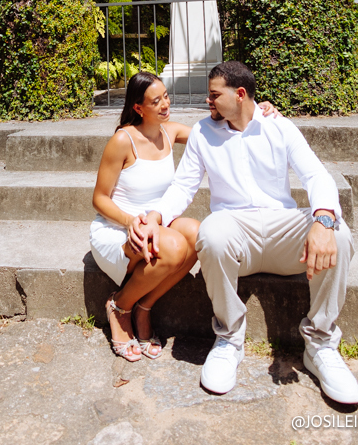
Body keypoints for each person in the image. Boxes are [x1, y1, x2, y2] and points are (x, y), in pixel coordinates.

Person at [132, 61, 358, 404]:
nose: (207, 102)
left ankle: (320, 343)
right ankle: (229, 339)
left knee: (338, 233)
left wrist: (324, 220)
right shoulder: (202, 133)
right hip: (237, 238)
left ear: (240, 95)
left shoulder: (278, 126)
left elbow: (315, 175)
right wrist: (154, 216)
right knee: (211, 231)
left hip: (283, 232)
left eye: (213, 95)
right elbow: (183, 187)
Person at [90, 70, 280, 363]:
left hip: (158, 222)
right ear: (138, 108)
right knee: (177, 245)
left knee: (198, 234)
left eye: (166, 96)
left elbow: (225, 128)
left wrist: (258, 111)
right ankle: (119, 305)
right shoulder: (123, 140)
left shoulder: (172, 131)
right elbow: (99, 198)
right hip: (120, 229)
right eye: (156, 101)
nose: (165, 104)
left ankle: (145, 305)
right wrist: (131, 222)